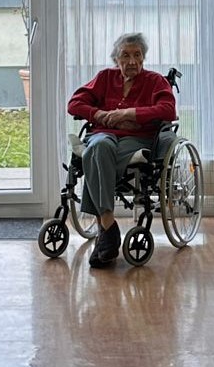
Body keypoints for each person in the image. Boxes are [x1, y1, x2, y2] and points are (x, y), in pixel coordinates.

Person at [66, 32, 178, 268]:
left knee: (94, 156)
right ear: (116, 59)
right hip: (104, 135)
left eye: (137, 55)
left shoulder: (155, 81)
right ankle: (109, 224)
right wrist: (100, 115)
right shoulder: (105, 78)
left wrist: (130, 114)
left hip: (138, 139)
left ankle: (105, 235)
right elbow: (74, 103)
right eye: (125, 55)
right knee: (98, 147)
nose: (131, 61)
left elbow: (168, 110)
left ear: (143, 58)